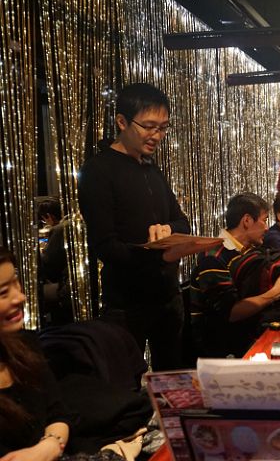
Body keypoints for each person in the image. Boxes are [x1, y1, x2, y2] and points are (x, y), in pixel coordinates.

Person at [78, 82, 190, 371]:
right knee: (126, 384)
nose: (157, 136)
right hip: (126, 305)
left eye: (163, 128)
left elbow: (182, 221)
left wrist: (168, 230)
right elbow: (104, 245)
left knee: (172, 380)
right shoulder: (98, 171)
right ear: (122, 121)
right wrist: (156, 254)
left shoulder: (151, 169)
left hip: (167, 297)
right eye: (149, 126)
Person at [190, 193, 280, 357]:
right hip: (225, 350)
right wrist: (277, 292)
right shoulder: (213, 257)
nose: (267, 228)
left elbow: (277, 268)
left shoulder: (249, 248)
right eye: (264, 220)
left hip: (252, 334)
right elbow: (231, 313)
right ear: (247, 221)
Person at [0, 246, 71, 460]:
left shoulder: (25, 345)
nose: (20, 297)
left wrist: (48, 447)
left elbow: (58, 414)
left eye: (16, 283)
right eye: (3, 293)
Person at [37, 197, 73, 326]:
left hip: (66, 285)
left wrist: (39, 253)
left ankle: (47, 326)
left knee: (37, 291)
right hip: (74, 279)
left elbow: (48, 265)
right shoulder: (73, 222)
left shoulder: (59, 229)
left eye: (44, 219)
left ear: (49, 216)